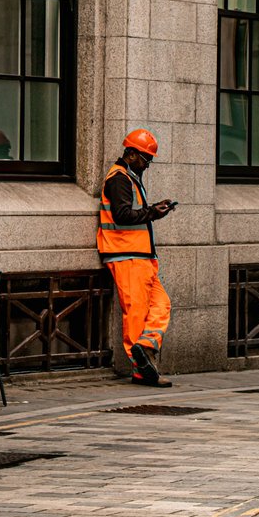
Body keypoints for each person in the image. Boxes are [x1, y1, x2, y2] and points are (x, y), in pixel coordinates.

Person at [97, 128, 177, 387]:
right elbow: (121, 215)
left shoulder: (128, 176)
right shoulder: (119, 178)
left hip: (139, 256)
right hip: (126, 255)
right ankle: (142, 369)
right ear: (131, 154)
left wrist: (152, 210)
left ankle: (145, 347)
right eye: (145, 159)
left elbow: (129, 213)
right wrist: (152, 212)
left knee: (161, 304)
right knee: (136, 313)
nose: (147, 164)